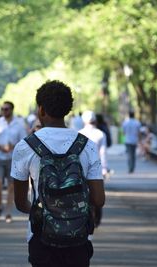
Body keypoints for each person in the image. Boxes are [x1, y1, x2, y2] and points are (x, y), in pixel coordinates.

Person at [11, 80, 105, 267]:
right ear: (68, 109)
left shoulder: (26, 147)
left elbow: (20, 202)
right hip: (78, 238)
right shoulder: (87, 146)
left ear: (41, 110)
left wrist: (46, 213)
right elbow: (98, 200)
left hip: (41, 236)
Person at [0, 101, 27, 223]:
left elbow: (24, 141)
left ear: (12, 110)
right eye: (2, 109)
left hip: (13, 158)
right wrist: (0, 147)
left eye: (7, 109)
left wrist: (13, 146)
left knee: (11, 186)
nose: (4, 111)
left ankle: (8, 212)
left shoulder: (19, 124)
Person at [79, 110, 108, 228]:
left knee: (83, 193)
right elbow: (103, 153)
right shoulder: (100, 134)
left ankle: (84, 215)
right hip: (97, 168)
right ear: (95, 120)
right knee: (97, 195)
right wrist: (105, 168)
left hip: (81, 168)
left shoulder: (79, 133)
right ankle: (96, 219)